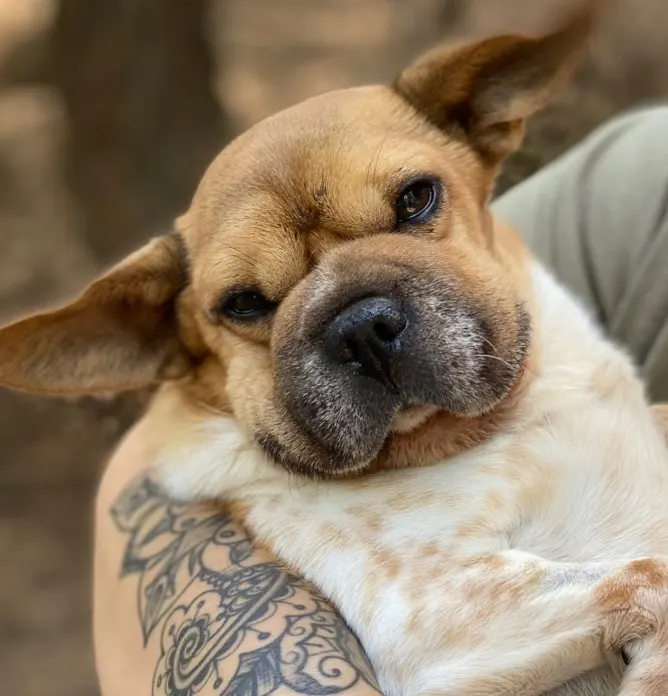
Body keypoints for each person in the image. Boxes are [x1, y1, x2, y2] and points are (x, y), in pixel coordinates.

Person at [94, 106, 668, 695]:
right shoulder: (638, 189)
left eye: (411, 206)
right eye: (251, 302)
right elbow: (145, 462)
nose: (366, 329)